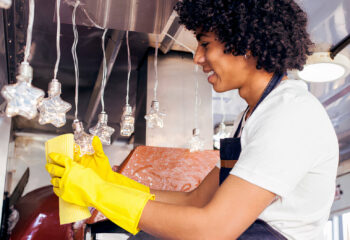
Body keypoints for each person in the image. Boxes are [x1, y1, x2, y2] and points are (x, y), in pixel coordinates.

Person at [45, 0, 339, 239]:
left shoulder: (289, 115)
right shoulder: (251, 117)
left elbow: (213, 229)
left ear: (246, 44)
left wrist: (98, 191)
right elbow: (196, 200)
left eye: (205, 44)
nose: (198, 57)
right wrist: (112, 182)